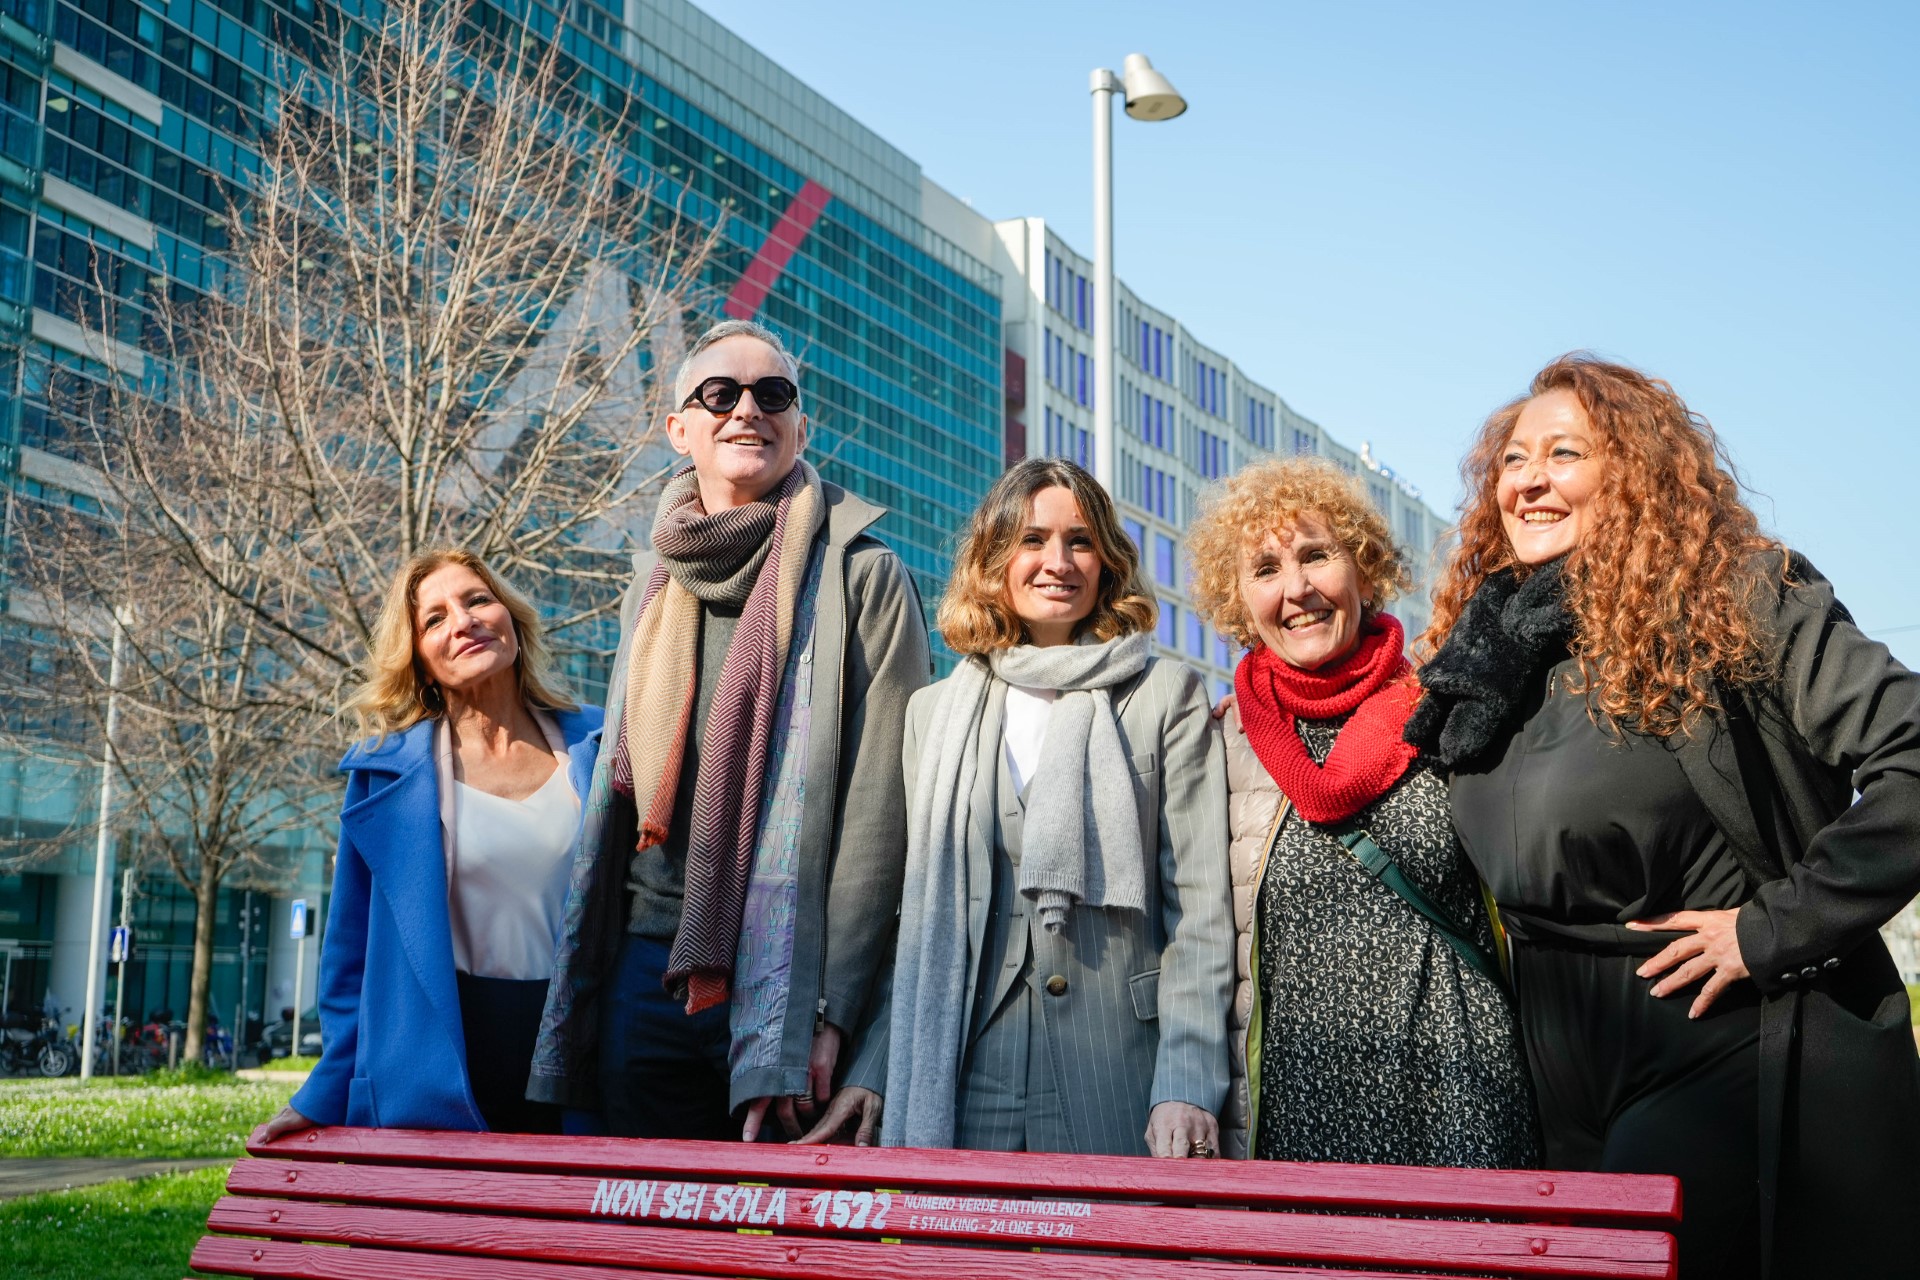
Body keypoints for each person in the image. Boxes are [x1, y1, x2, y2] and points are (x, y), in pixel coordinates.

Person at [1407, 353, 1920, 1277]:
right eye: (1514, 460)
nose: (1528, 481)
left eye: (1564, 454)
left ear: (1636, 474)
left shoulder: (1741, 599)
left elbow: (1913, 755)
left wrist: (1775, 929)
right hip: (1552, 1064)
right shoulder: (1484, 656)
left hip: (1710, 1035)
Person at [528, 319, 930, 1143]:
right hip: (646, 966)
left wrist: (835, 1010)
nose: (748, 408)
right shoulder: (650, 580)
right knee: (647, 1249)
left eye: (772, 393)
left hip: (791, 975)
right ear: (680, 429)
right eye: (720, 393)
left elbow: (882, 815)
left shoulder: (864, 574)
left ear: (800, 426)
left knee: (794, 1255)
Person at [807, 457, 1232, 1157]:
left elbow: (1200, 913)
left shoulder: (1165, 696)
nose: (1056, 562)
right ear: (995, 558)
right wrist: (877, 1065)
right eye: (1032, 540)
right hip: (967, 1073)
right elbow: (912, 917)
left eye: (1080, 540)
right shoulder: (934, 713)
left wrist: (1185, 1082)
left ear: (1107, 562)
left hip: (1123, 1074)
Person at [1182, 457, 1537, 1166]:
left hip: (1461, 1095)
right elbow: (1192, 937)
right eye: (1266, 569)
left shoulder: (1449, 712)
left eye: (1317, 555)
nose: (1298, 588)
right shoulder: (1221, 746)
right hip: (1298, 1114)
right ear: (1238, 600)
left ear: (1365, 570)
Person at [257, 550, 602, 1137]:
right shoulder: (384, 774)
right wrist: (325, 1090)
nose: (462, 621)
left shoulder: (603, 742)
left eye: (476, 601)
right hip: (442, 1058)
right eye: (434, 619)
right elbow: (350, 955)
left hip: (587, 1053)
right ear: (418, 658)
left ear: (511, 620)